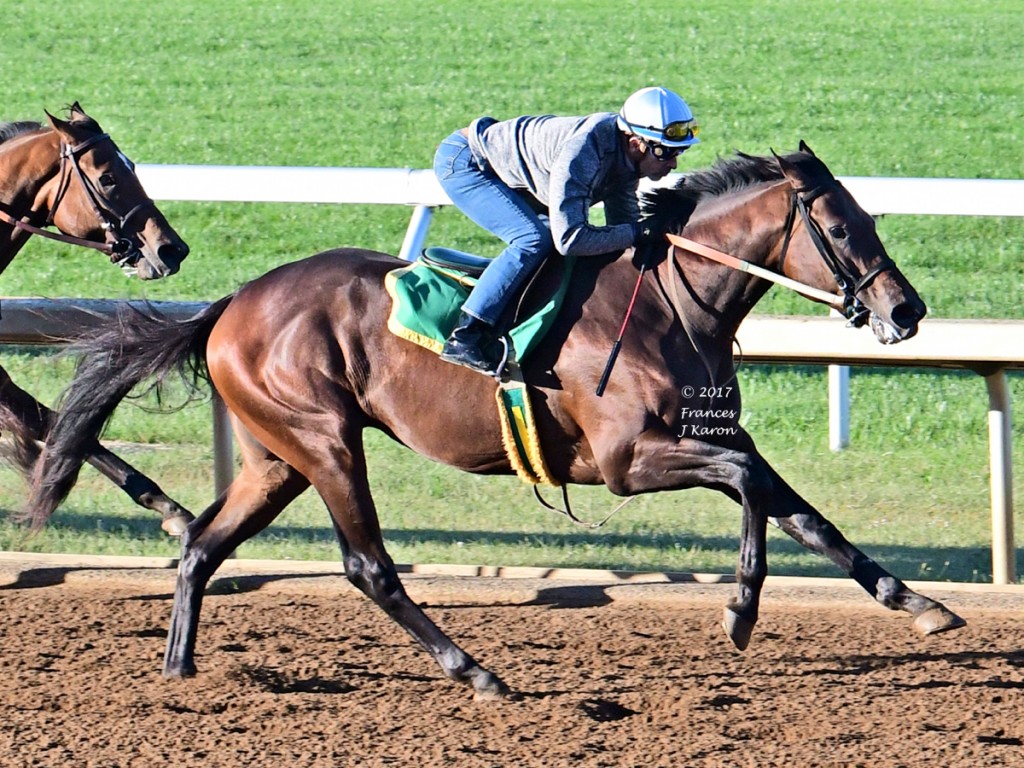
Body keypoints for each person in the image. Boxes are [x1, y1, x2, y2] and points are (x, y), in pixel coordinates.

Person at [432, 86, 700, 376]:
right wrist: (638, 233)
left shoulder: (624, 157)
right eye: (666, 153)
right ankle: (466, 336)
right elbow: (570, 239)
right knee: (533, 239)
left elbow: (624, 229)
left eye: (679, 152)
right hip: (467, 163)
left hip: (514, 171)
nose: (674, 164)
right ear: (636, 143)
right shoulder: (583, 153)